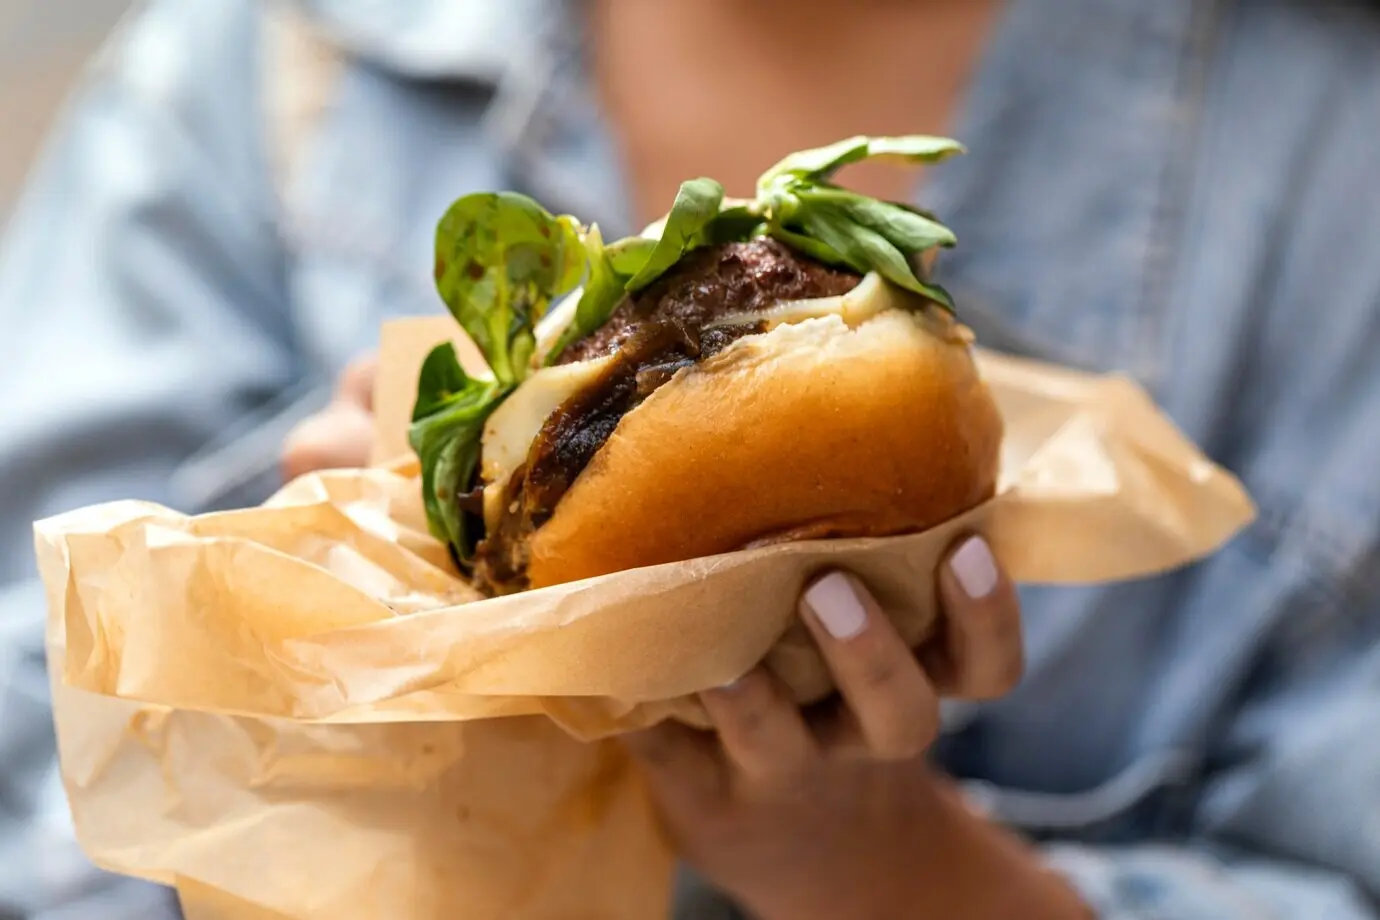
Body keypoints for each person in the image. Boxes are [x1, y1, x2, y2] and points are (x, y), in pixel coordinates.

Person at [1, 0, 1377, 917]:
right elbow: (33, 808)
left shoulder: (1329, 176)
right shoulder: (254, 74)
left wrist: (902, 872)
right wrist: (292, 685)